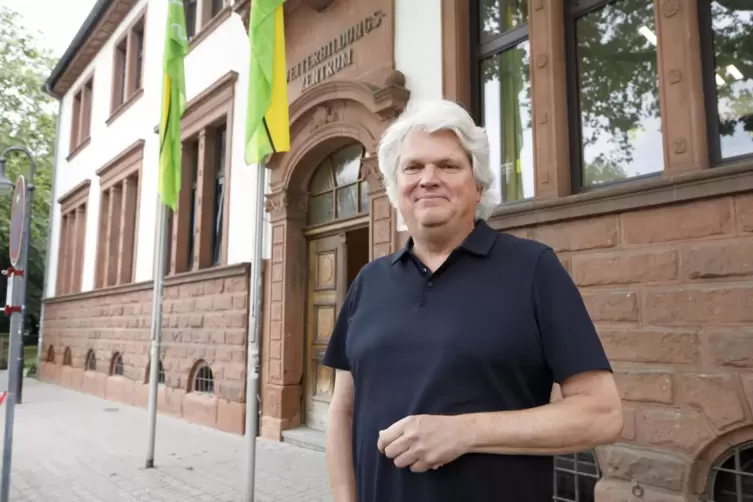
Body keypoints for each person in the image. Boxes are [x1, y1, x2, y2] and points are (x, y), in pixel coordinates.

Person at [322, 98, 623, 502]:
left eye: (448, 165)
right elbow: (343, 411)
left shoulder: (533, 269)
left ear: (477, 185)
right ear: (397, 189)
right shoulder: (368, 282)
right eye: (413, 167)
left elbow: (602, 415)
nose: (428, 178)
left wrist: (463, 432)